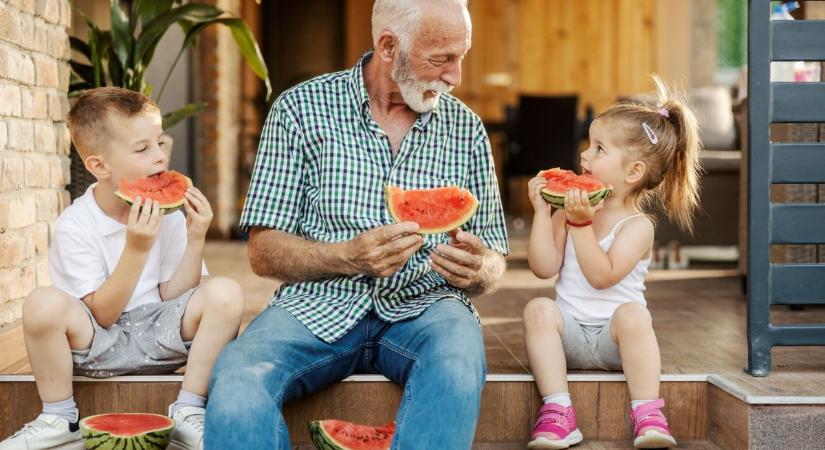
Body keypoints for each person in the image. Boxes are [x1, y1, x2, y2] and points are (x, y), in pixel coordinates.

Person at [204, 0, 509, 448]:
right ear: (389, 46)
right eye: (441, 58)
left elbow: (496, 256)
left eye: (461, 56)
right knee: (237, 378)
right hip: (316, 303)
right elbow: (262, 250)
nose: (455, 76)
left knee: (457, 361)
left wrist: (480, 269)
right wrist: (346, 257)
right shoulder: (299, 111)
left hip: (425, 306)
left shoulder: (466, 129)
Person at [0, 87, 244, 450]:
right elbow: (102, 313)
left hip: (163, 338)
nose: (160, 158)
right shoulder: (76, 224)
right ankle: (59, 415)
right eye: (142, 149)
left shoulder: (169, 215)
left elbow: (174, 295)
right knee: (40, 303)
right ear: (99, 166)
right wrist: (136, 249)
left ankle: (189, 408)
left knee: (227, 292)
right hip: (97, 343)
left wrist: (195, 238)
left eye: (160, 143)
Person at [523, 76, 701, 449]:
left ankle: (648, 414)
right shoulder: (568, 210)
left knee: (634, 315)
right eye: (588, 145)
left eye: (599, 149)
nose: (584, 156)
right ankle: (558, 412)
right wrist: (543, 213)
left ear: (633, 172)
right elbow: (543, 267)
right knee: (538, 308)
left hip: (616, 342)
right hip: (568, 335)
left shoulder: (638, 227)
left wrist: (581, 225)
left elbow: (602, 276)